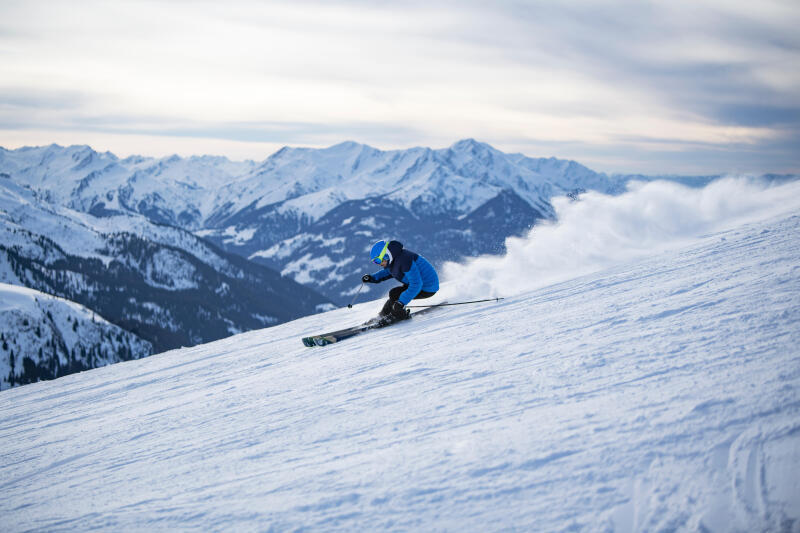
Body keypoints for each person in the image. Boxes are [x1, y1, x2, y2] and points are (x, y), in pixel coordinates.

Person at [361, 239, 439, 323]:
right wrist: (373, 278)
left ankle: (399, 315)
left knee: (396, 295)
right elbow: (389, 272)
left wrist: (401, 302)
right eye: (375, 262)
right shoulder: (393, 259)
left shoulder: (404, 260)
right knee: (394, 293)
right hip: (417, 284)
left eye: (378, 260)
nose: (378, 264)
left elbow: (416, 284)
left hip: (427, 288)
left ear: (386, 255)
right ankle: (382, 315)